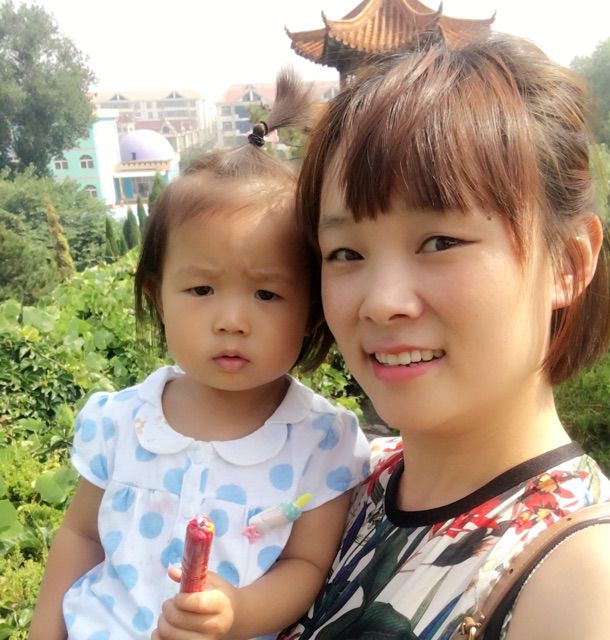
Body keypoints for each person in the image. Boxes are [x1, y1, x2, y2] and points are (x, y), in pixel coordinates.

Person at [277, 33, 610, 639]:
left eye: (440, 242)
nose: (382, 302)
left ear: (569, 262)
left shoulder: (589, 580)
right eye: (344, 252)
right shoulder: (348, 482)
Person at [28, 68, 370, 640]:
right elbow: (81, 537)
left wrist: (239, 613)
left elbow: (305, 564)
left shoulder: (322, 441)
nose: (231, 320)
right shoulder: (120, 422)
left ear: (312, 310)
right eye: (201, 289)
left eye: (267, 294)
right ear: (156, 296)